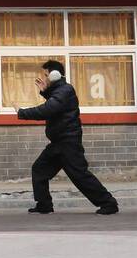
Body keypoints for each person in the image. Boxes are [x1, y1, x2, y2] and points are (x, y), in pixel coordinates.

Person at [17, 60, 119, 215]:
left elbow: (49, 109)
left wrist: (22, 113)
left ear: (54, 75)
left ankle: (108, 203)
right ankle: (44, 205)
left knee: (79, 175)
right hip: (58, 142)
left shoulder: (66, 90)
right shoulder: (59, 90)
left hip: (68, 142)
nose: (43, 78)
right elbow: (55, 105)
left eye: (46, 75)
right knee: (39, 169)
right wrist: (46, 92)